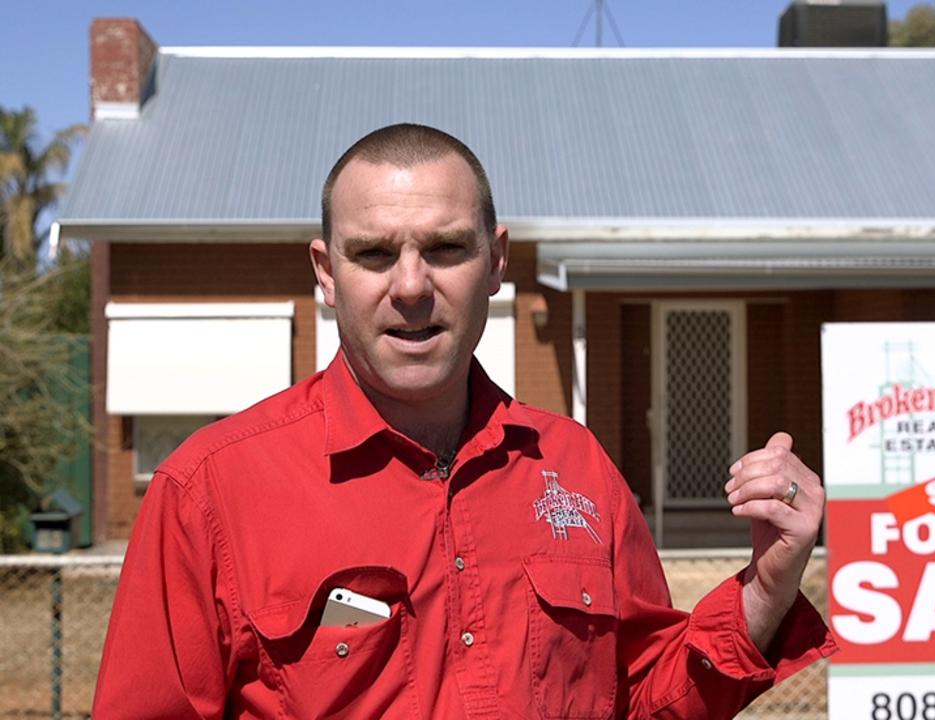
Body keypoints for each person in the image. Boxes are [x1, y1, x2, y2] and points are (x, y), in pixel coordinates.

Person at [93, 124, 835, 719]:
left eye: (445, 248)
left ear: (496, 259)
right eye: (375, 253)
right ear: (325, 273)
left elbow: (645, 699)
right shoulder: (210, 490)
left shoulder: (576, 469)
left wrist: (766, 591)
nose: (411, 286)